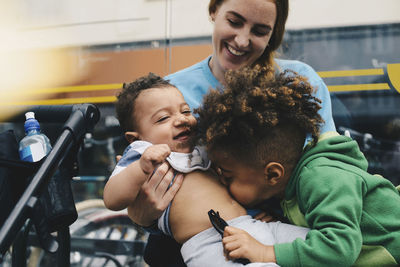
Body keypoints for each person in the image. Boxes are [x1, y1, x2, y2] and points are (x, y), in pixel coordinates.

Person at [126, 0, 338, 265]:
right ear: (214, 11)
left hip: (276, 238)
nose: (242, 40)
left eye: (259, 31)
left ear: (273, 35)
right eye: (235, 22)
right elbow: (143, 181)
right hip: (192, 244)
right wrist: (142, 216)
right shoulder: (171, 95)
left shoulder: (302, 83)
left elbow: (328, 169)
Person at [195, 65, 400, 266]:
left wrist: (267, 252)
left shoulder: (321, 178)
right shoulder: (293, 183)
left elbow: (339, 249)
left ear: (273, 174)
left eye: (228, 176)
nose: (220, 181)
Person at [103, 73, 311, 267]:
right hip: (210, 244)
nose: (181, 119)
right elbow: (112, 199)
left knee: (314, 242)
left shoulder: (200, 146)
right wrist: (139, 168)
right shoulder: (141, 153)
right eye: (163, 118)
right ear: (135, 137)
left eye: (185, 111)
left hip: (252, 226)